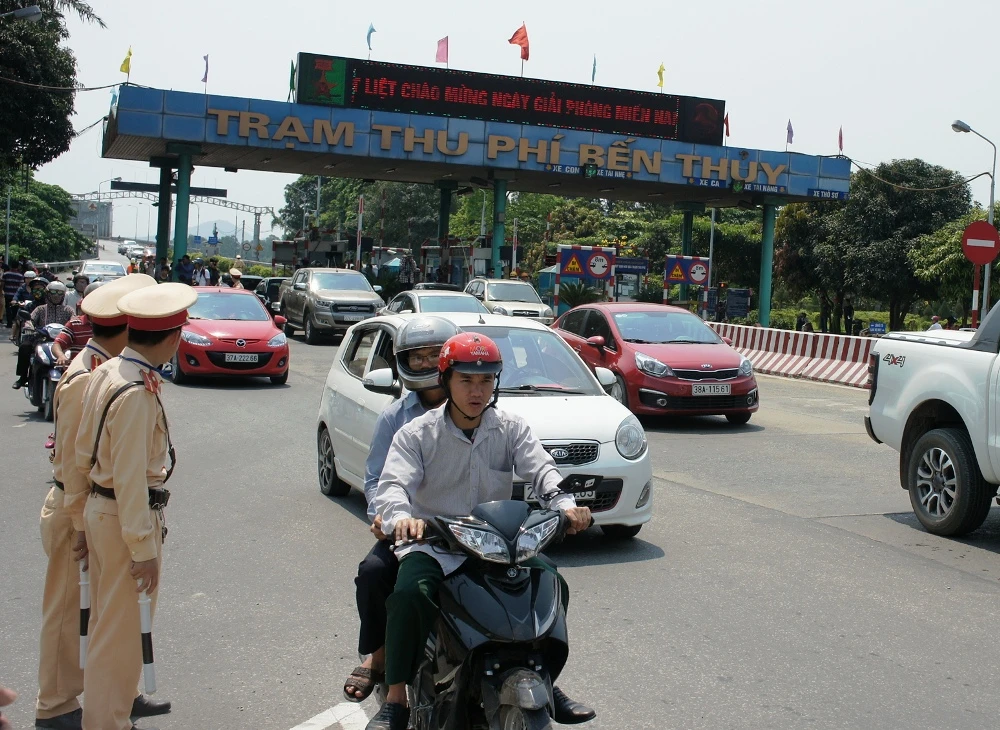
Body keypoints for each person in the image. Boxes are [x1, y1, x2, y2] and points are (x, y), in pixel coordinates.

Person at [367, 332, 595, 730]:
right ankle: (396, 697)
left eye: (486, 380)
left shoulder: (510, 427)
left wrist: (566, 506)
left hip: (497, 542)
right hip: (435, 544)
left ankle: (546, 678)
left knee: (550, 580)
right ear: (445, 380)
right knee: (409, 595)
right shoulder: (417, 433)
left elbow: (542, 470)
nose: (477, 391)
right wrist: (402, 517)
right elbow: (392, 486)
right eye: (466, 380)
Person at [37, 275, 164, 730]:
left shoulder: (106, 367)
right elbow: (75, 462)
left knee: (106, 614)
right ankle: (56, 705)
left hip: (86, 506)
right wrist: (81, 526)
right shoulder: (85, 375)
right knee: (68, 611)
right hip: (75, 506)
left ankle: (115, 695)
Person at [73, 282, 196, 730]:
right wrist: (143, 549)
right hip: (124, 519)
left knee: (110, 627)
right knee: (119, 637)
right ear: (172, 338)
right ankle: (105, 722)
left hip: (103, 512)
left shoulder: (110, 371)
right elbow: (128, 481)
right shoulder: (135, 392)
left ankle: (112, 716)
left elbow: (80, 452)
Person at [344, 316, 459, 704]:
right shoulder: (396, 417)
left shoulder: (480, 409)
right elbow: (376, 479)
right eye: (417, 357)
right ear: (403, 362)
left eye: (434, 355)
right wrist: (384, 517)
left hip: (469, 529)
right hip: (410, 529)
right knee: (373, 573)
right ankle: (379, 656)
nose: (426, 364)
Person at [14, 281, 73, 390]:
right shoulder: (40, 309)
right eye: (53, 292)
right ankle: (23, 377)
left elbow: (74, 321)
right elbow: (30, 320)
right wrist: (29, 327)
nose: (56, 295)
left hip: (63, 341)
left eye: (60, 293)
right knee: (25, 347)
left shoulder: (68, 310)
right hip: (41, 339)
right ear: (48, 293)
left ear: (64, 295)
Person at [52, 282, 104, 366]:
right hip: (80, 370)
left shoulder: (115, 324)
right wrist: (61, 356)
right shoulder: (74, 324)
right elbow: (57, 344)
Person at [3, 262, 24, 327]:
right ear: (18, 267)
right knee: (15, 309)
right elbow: (21, 286)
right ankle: (13, 321)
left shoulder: (6, 274)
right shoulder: (20, 275)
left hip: (7, 294)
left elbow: (2, 284)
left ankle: (9, 323)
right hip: (16, 295)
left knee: (8, 308)